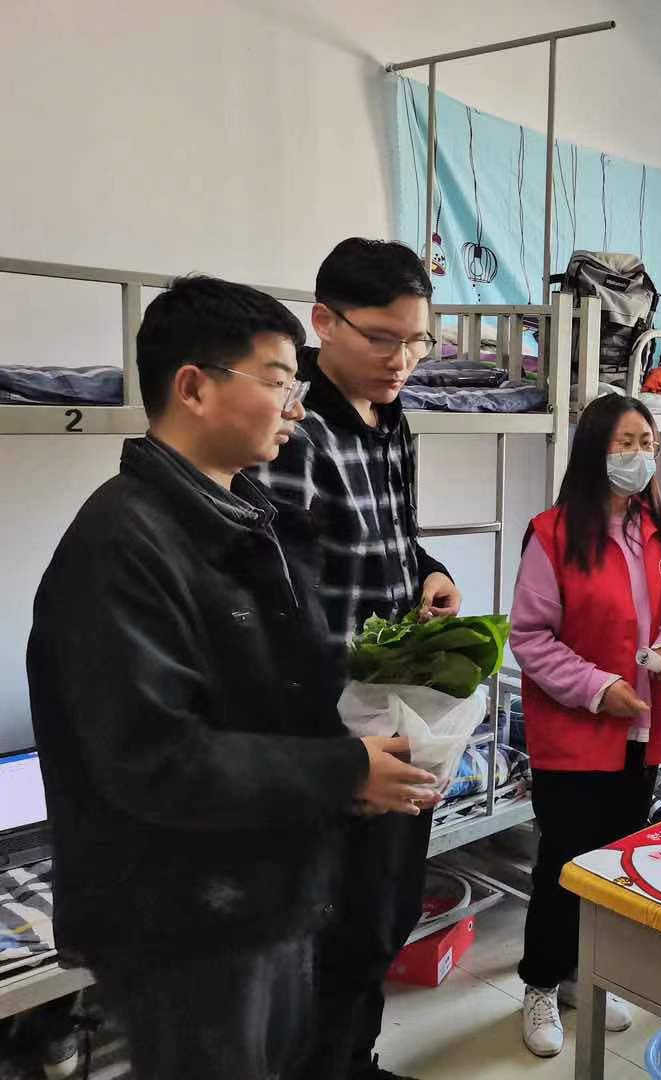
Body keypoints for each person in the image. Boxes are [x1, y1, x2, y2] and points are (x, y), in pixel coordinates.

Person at [26, 276, 436, 1080]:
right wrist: (343, 770)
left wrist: (358, 756)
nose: (296, 409)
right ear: (194, 388)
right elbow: (157, 759)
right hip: (187, 922)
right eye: (280, 383)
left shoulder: (247, 514)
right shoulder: (121, 546)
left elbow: (277, 688)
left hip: (266, 886)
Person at [250, 238, 462, 1080]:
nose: (401, 360)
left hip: (398, 705)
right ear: (324, 322)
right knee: (338, 933)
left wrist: (431, 573)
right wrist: (332, 754)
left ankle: (357, 1063)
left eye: (417, 341)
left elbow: (396, 536)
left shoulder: (393, 417)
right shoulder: (296, 430)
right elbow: (277, 595)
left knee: (388, 912)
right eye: (382, 338)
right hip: (334, 728)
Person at [510, 395, 661, 1058]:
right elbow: (530, 637)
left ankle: (585, 973)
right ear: (594, 450)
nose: (640, 456)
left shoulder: (658, 531)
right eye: (626, 442)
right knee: (564, 864)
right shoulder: (553, 533)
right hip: (574, 735)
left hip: (641, 731)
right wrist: (596, 689)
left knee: (613, 864)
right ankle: (540, 982)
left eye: (649, 444)